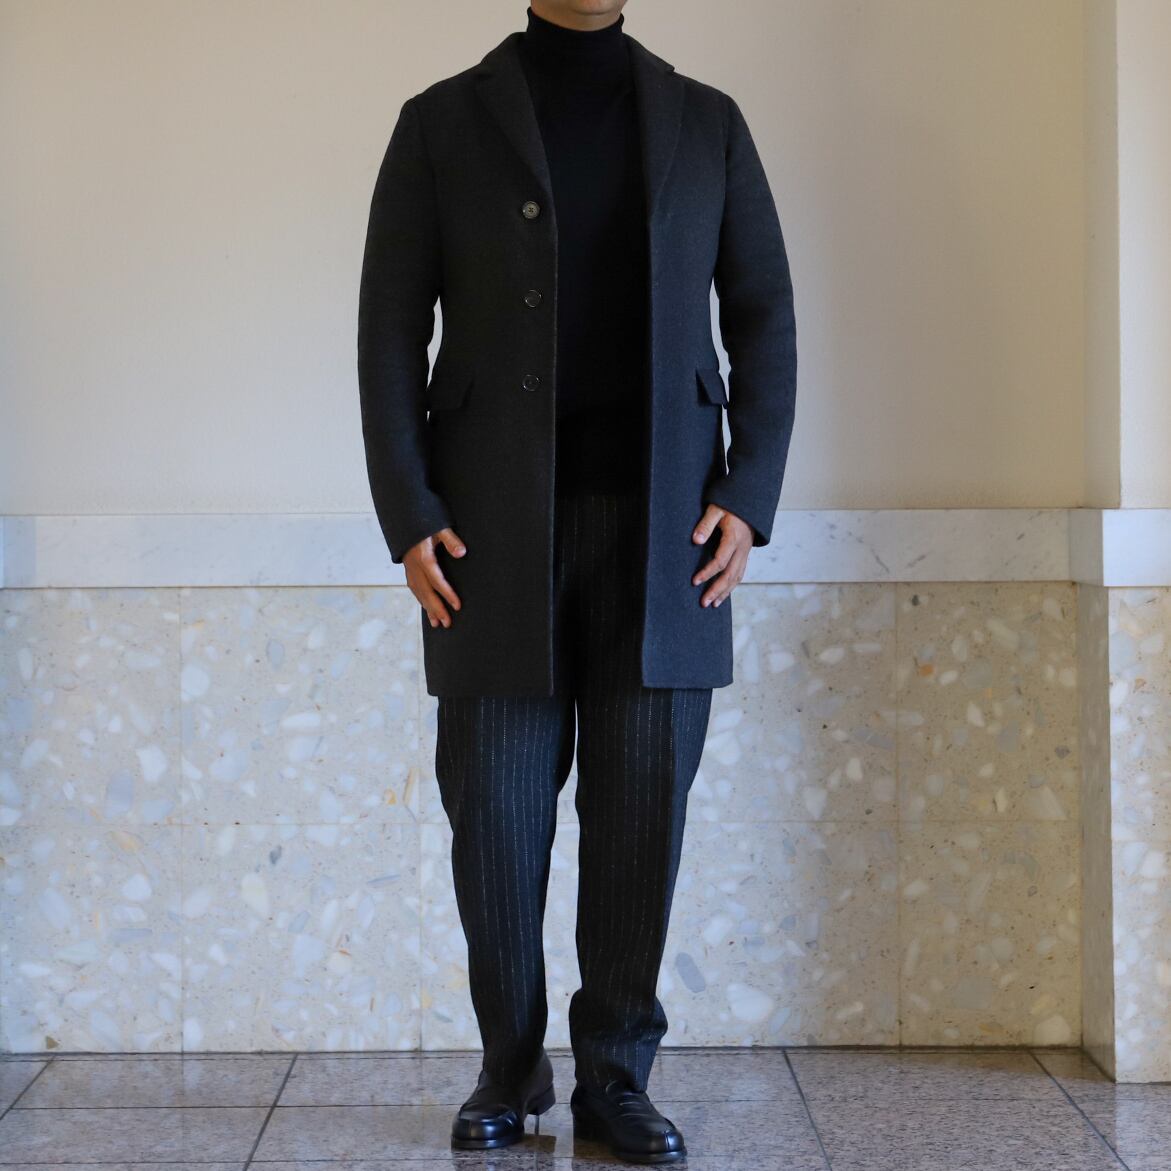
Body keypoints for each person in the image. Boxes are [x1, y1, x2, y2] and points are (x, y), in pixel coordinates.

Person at [356, 1, 797, 1162]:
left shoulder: (706, 124)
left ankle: (615, 1077)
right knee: (496, 822)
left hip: (668, 536)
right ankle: (507, 1070)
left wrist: (749, 491)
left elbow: (764, 313)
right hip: (487, 537)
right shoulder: (439, 124)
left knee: (641, 813)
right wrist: (408, 511)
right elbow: (389, 328)